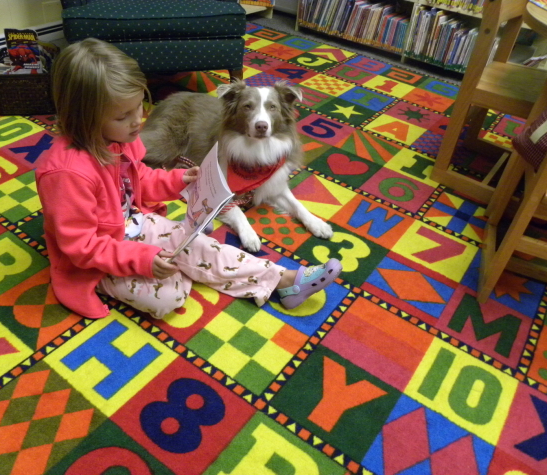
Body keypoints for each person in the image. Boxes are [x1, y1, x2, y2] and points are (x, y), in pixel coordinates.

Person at [35, 38, 342, 320]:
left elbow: (139, 177)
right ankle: (167, 273)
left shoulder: (118, 138)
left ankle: (284, 280)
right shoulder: (66, 174)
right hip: (94, 261)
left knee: (201, 245)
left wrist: (180, 179)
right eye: (122, 116)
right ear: (83, 117)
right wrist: (142, 261)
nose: (138, 120)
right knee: (170, 298)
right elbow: (82, 248)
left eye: (139, 106)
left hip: (133, 226)